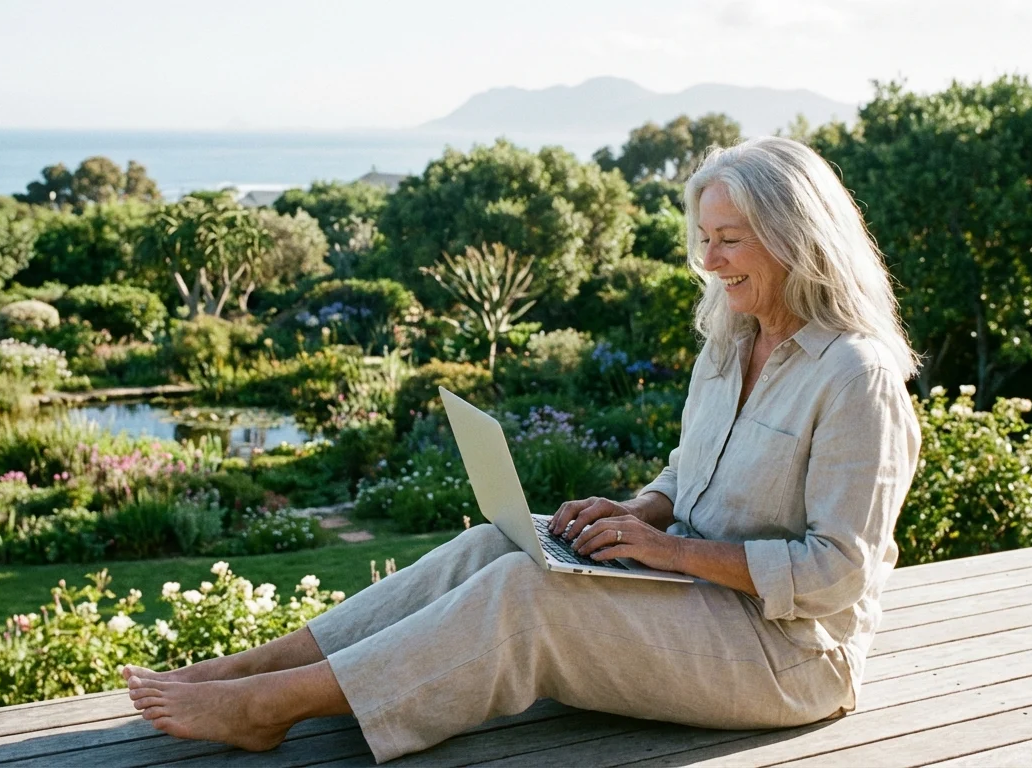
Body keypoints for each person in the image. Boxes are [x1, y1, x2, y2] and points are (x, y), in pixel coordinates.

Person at [121, 136, 923, 763]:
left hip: (790, 658)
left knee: (526, 594)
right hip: (698, 603)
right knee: (496, 544)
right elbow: (690, 472)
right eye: (705, 239)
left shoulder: (856, 377)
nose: (709, 263)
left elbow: (838, 571)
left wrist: (669, 552)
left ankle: (268, 708)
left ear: (793, 237)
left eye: (730, 241)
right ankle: (248, 669)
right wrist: (638, 512)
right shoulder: (730, 342)